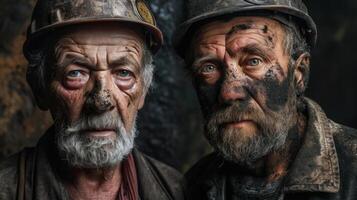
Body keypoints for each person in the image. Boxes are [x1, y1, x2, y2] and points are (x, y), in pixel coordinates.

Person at [0, 0, 185, 199]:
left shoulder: (179, 191)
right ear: (40, 89)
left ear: (143, 90)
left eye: (123, 73)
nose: (101, 102)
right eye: (76, 73)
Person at [173, 0, 357, 199]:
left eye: (254, 61)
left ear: (299, 73)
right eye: (209, 67)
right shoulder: (192, 187)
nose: (229, 92)